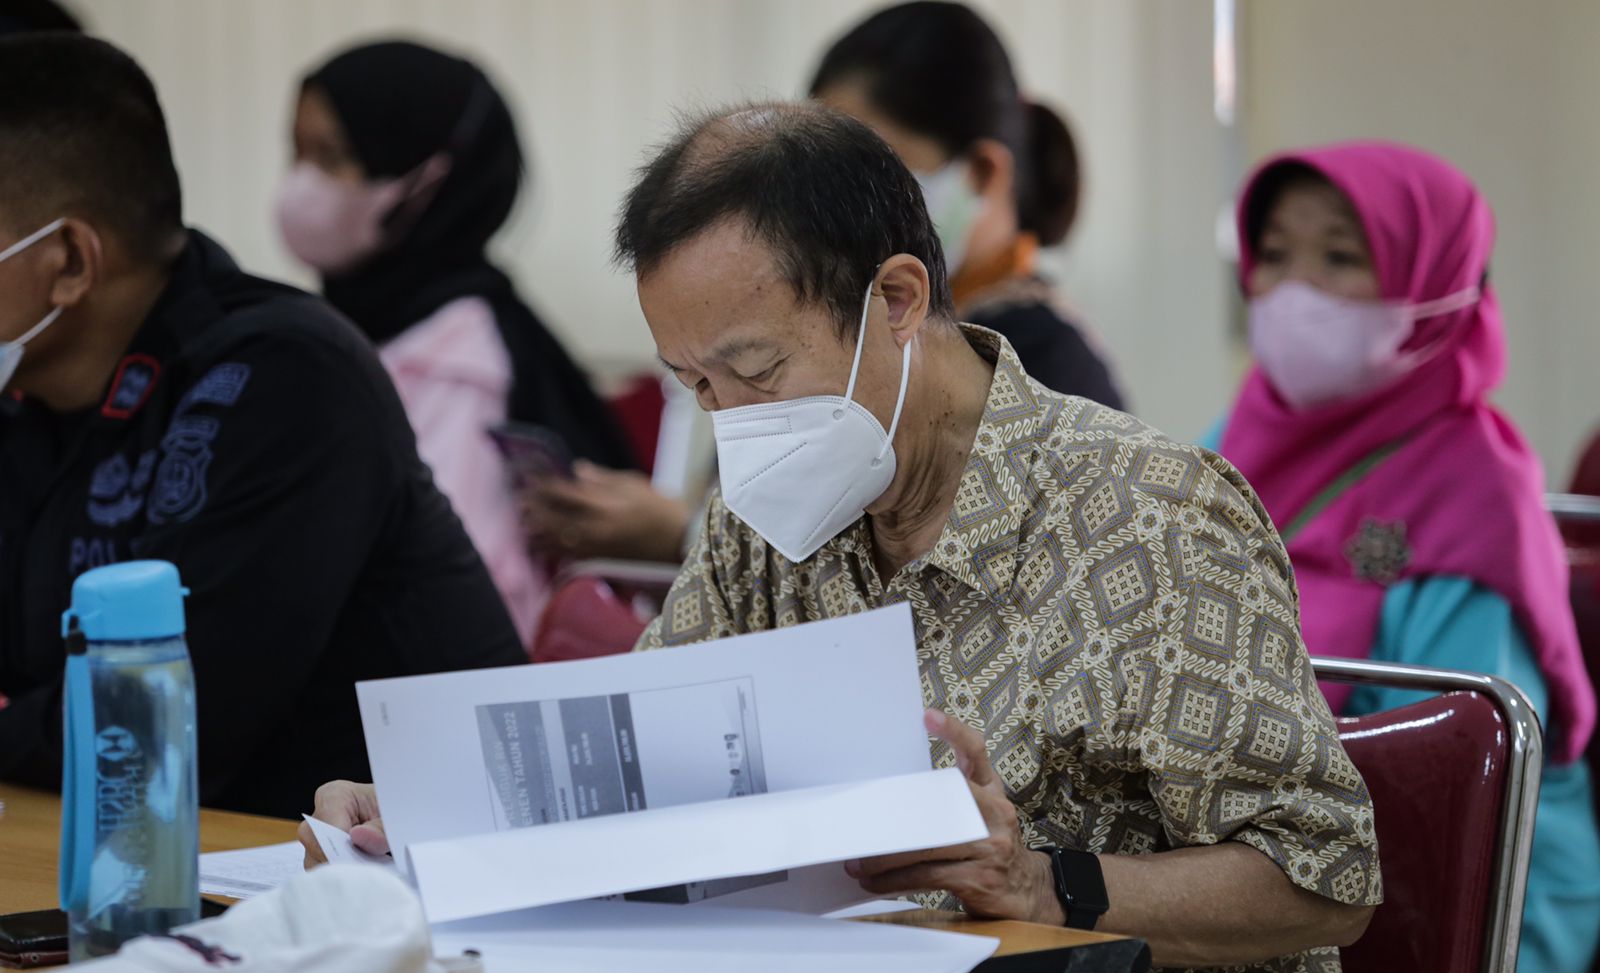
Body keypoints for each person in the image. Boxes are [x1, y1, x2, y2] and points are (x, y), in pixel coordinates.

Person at [308, 101, 1381, 973]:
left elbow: (1322, 878)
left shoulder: (1149, 515)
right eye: (697, 386)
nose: (735, 423)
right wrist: (434, 816)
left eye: (759, 371)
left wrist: (1044, 884)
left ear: (898, 299)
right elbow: (638, 773)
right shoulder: (763, 521)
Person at [0, 34, 527, 818]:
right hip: (172, 857)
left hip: (397, 866)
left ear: (71, 261)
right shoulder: (28, 393)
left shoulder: (283, 379)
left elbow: (156, 734)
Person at [1209, 140, 1600, 973]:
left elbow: (1455, 771)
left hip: (1476, 904)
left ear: (1438, 288)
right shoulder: (1235, 439)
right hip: (1274, 855)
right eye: (1275, 254)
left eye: (1341, 257)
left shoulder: (1475, 490)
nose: (1295, 290)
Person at [529, 1, 1130, 566]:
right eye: (702, 385)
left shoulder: (1043, 362)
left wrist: (680, 534)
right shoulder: (795, 322)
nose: (830, 200)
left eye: (879, 163)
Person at [276, 40, 636, 644]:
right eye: (298, 152)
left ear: (430, 179)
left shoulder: (462, 353)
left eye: (334, 156)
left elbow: (438, 585)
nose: (303, 183)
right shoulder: (349, 323)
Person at [811, 0, 1125, 410]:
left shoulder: (1035, 364)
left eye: (870, 177)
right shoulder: (917, 333)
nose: (837, 210)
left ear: (981, 173)